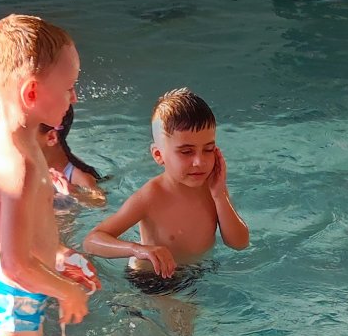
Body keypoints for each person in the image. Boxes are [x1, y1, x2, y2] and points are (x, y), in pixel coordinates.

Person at [0, 14, 96, 336]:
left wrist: (59, 258)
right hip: (10, 309)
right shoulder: (19, 164)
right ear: (32, 93)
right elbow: (15, 263)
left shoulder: (11, 141)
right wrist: (67, 291)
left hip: (7, 295)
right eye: (69, 88)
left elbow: (19, 232)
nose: (74, 97)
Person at [83, 87, 249, 281]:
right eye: (186, 152)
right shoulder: (151, 196)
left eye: (208, 149)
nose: (199, 162)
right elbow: (92, 241)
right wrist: (137, 249)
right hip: (152, 277)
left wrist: (220, 195)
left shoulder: (213, 188)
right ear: (158, 155)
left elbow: (239, 243)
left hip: (198, 272)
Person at [0, 103, 105, 203]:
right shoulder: (25, 161)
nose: (15, 136)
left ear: (51, 137)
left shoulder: (77, 176)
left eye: (24, 131)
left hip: (59, 235)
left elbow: (99, 202)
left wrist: (72, 192)